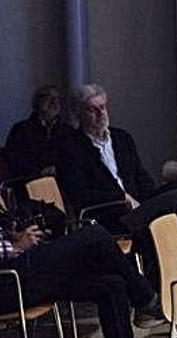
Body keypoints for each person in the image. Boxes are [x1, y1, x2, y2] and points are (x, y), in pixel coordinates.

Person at [0, 222, 162, 338]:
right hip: (8, 281)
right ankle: (148, 301)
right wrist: (15, 245)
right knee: (94, 236)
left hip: (20, 271)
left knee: (111, 285)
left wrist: (14, 236)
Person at [55, 84, 155, 231]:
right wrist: (120, 197)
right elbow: (79, 194)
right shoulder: (70, 148)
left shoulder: (122, 138)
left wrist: (151, 200)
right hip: (106, 214)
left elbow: (141, 176)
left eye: (102, 107)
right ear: (78, 114)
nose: (101, 113)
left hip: (137, 208)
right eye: (92, 110)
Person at [3, 85, 75, 179]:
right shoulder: (21, 130)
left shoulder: (69, 131)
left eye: (58, 98)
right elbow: (13, 160)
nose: (54, 102)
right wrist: (39, 172)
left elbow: (74, 160)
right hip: (30, 181)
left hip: (61, 183)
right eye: (48, 97)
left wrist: (59, 169)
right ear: (37, 102)